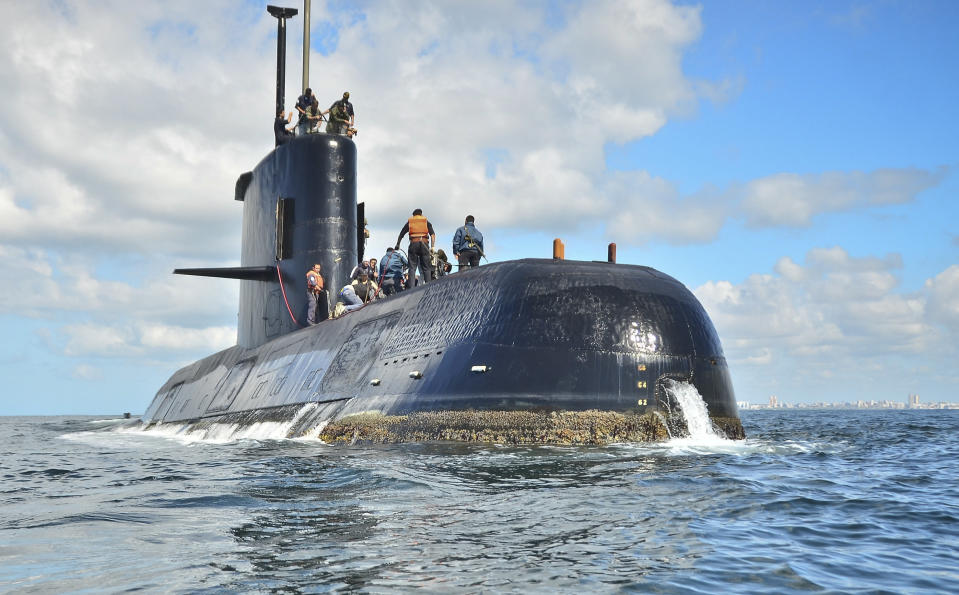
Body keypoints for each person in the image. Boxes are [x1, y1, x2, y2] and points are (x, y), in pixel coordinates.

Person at [396, 208, 436, 284]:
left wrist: (398, 244)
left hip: (413, 244)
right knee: (426, 267)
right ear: (421, 214)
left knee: (412, 268)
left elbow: (402, 233)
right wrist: (432, 247)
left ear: (413, 215)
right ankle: (428, 286)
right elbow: (433, 235)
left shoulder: (411, 221)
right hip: (424, 244)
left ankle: (411, 288)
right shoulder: (425, 221)